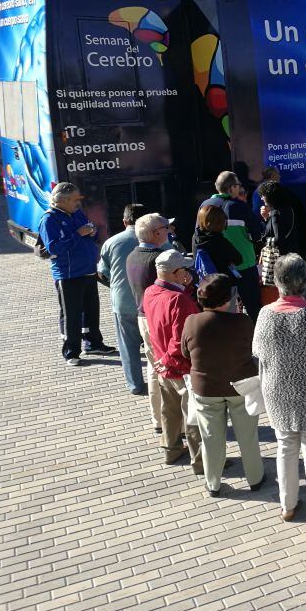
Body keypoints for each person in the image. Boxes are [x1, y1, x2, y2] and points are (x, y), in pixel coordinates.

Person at [252, 254, 306, 526]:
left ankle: (288, 506)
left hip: (278, 390)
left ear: (277, 281)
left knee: (285, 447)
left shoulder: (265, 314)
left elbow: (257, 351)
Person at [180, 273, 264, 497]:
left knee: (211, 439)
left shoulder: (192, 322)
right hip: (241, 386)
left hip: (206, 389)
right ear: (228, 299)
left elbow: (185, 352)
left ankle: (214, 483)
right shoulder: (243, 321)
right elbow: (252, 350)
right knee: (247, 436)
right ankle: (255, 478)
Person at [38, 182, 115, 366]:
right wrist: (78, 233)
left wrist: (92, 231)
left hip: (88, 270)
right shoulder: (50, 219)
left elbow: (89, 232)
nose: (78, 203)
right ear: (63, 200)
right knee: (71, 314)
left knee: (91, 310)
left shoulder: (76, 213)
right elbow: (54, 247)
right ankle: (71, 351)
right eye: (74, 200)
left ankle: (94, 343)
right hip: (69, 275)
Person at [141, 249, 203, 469]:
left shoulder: (150, 291)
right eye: (184, 269)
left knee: (170, 411)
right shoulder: (179, 300)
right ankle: (201, 461)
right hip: (182, 367)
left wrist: (163, 359)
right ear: (176, 273)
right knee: (193, 415)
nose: (188, 272)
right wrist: (169, 358)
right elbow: (181, 338)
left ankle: (171, 450)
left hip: (162, 365)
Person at [127, 212, 176, 433]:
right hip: (159, 320)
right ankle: (176, 421)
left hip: (143, 317)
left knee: (153, 368)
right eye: (166, 227)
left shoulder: (132, 255)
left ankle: (158, 419)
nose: (169, 230)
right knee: (168, 367)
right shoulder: (158, 259)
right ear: (156, 233)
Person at [98, 203, 147, 392]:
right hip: (149, 303)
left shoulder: (111, 242)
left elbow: (102, 272)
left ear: (125, 221)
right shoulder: (157, 238)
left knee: (128, 347)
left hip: (123, 302)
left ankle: (135, 385)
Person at [201, 171, 262, 319]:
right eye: (238, 186)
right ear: (231, 187)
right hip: (244, 266)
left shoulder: (205, 206)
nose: (239, 189)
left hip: (219, 267)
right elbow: (258, 233)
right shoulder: (238, 207)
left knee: (227, 308)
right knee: (253, 308)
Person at [192, 205, 243, 278]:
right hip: (222, 282)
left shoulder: (195, 236)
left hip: (205, 281)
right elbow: (238, 259)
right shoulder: (219, 241)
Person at [258, 179, 302, 256]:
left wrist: (263, 240)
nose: (261, 198)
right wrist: (266, 218)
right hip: (292, 252)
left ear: (270, 196)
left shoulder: (275, 213)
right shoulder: (288, 208)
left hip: (282, 257)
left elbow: (278, 239)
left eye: (263, 195)